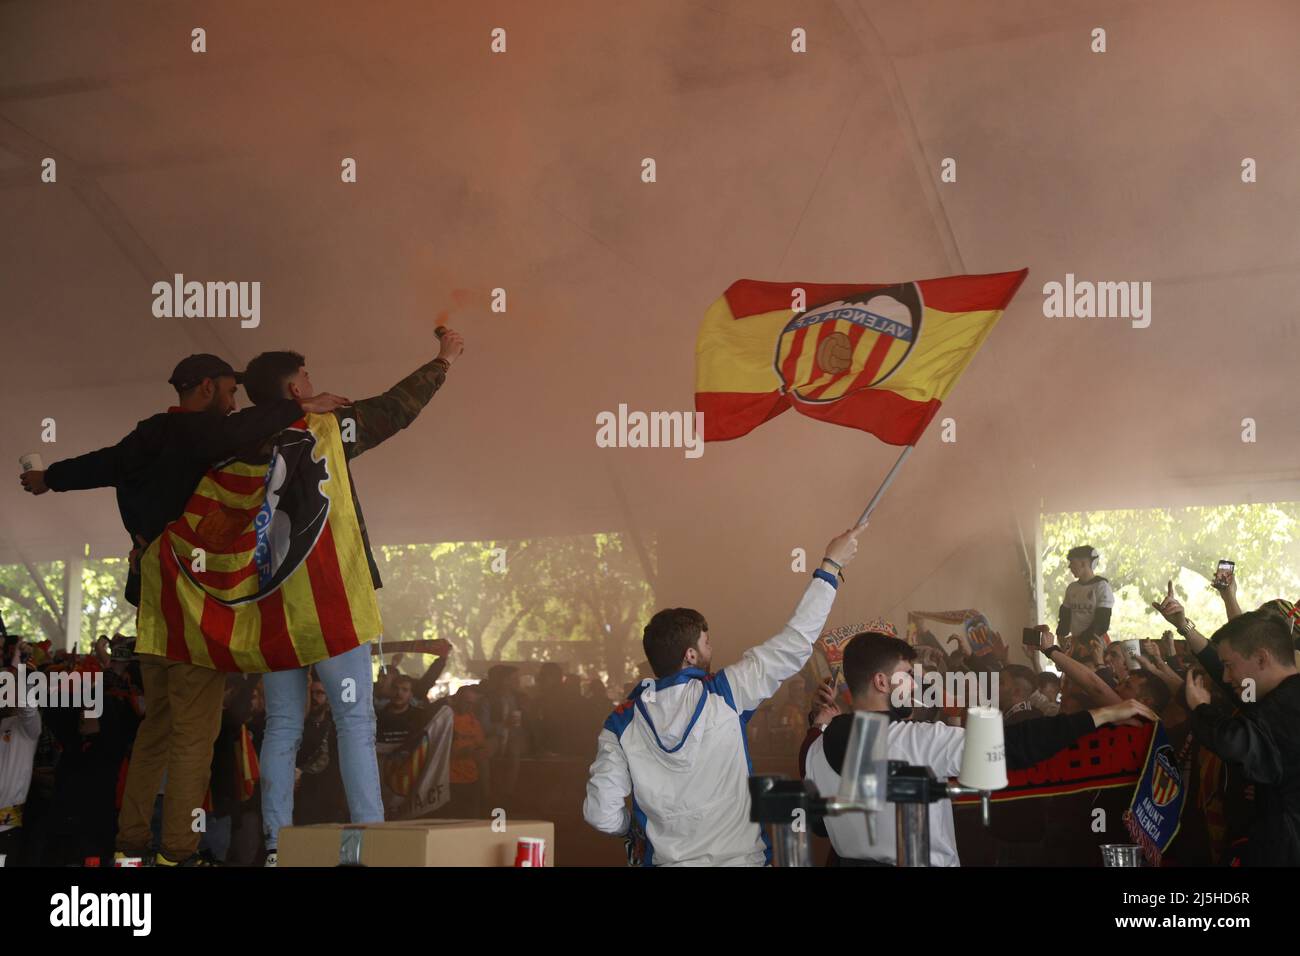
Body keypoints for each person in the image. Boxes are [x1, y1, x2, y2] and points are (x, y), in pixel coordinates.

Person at [19, 354, 350, 867]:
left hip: (150, 596)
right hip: (189, 597)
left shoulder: (149, 435)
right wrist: (299, 405)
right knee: (196, 730)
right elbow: (236, 430)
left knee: (159, 727)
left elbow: (101, 463)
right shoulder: (196, 434)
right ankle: (178, 851)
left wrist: (49, 477)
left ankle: (130, 843)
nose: (234, 400)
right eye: (227, 390)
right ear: (203, 389)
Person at [239, 326, 464, 864]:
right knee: (355, 721)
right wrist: (443, 361)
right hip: (331, 597)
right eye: (306, 378)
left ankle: (276, 844)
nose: (317, 383)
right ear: (295, 390)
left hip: (272, 604)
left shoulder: (238, 442)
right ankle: (368, 839)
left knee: (283, 726)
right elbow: (394, 409)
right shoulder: (325, 426)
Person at [582, 525, 865, 866]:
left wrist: (631, 830)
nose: (711, 648)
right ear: (690, 655)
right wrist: (831, 567)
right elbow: (795, 642)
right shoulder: (725, 692)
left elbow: (601, 814)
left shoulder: (620, 721)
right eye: (706, 642)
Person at [803, 631, 1157, 866]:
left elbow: (820, 826)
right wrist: (1103, 713)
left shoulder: (817, 752)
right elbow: (1013, 746)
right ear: (881, 681)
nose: (915, 683)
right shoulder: (916, 741)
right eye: (907, 674)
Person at [1183, 609, 1300, 865]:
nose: (1225, 677)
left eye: (1228, 666)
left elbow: (1234, 743)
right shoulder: (1280, 700)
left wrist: (1201, 709)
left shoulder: (1285, 707)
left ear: (1261, 659)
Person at [1056, 545, 1115, 651]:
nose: (1069, 567)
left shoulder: (1101, 586)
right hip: (1076, 643)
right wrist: (1061, 635)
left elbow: (1102, 622)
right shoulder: (1072, 588)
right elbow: (1065, 615)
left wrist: (1081, 640)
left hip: (1095, 644)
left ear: (1083, 563)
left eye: (1072, 563)